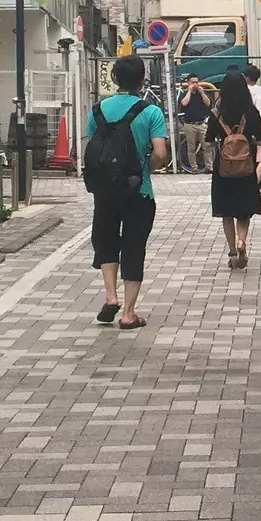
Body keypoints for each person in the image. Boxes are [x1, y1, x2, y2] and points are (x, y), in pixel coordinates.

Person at [84, 56, 169, 327]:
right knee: (134, 247)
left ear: (116, 79)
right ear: (142, 79)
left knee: (106, 241)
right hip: (138, 191)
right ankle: (128, 314)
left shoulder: (97, 110)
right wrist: (148, 167)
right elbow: (160, 153)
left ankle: (111, 296)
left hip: (104, 191)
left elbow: (91, 151)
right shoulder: (151, 111)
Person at [209, 70, 261, 268]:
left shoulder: (216, 114)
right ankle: (242, 241)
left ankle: (233, 252)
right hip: (246, 168)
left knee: (227, 212)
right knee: (243, 211)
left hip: (222, 170)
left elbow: (208, 142)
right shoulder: (251, 113)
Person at [175, 75, 215, 173]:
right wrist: (189, 91)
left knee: (207, 146)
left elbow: (208, 103)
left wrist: (202, 92)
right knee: (191, 147)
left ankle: (209, 167)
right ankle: (194, 168)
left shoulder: (201, 93)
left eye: (197, 82)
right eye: (192, 82)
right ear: (188, 83)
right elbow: (184, 103)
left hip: (201, 123)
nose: (195, 84)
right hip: (189, 124)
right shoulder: (184, 94)